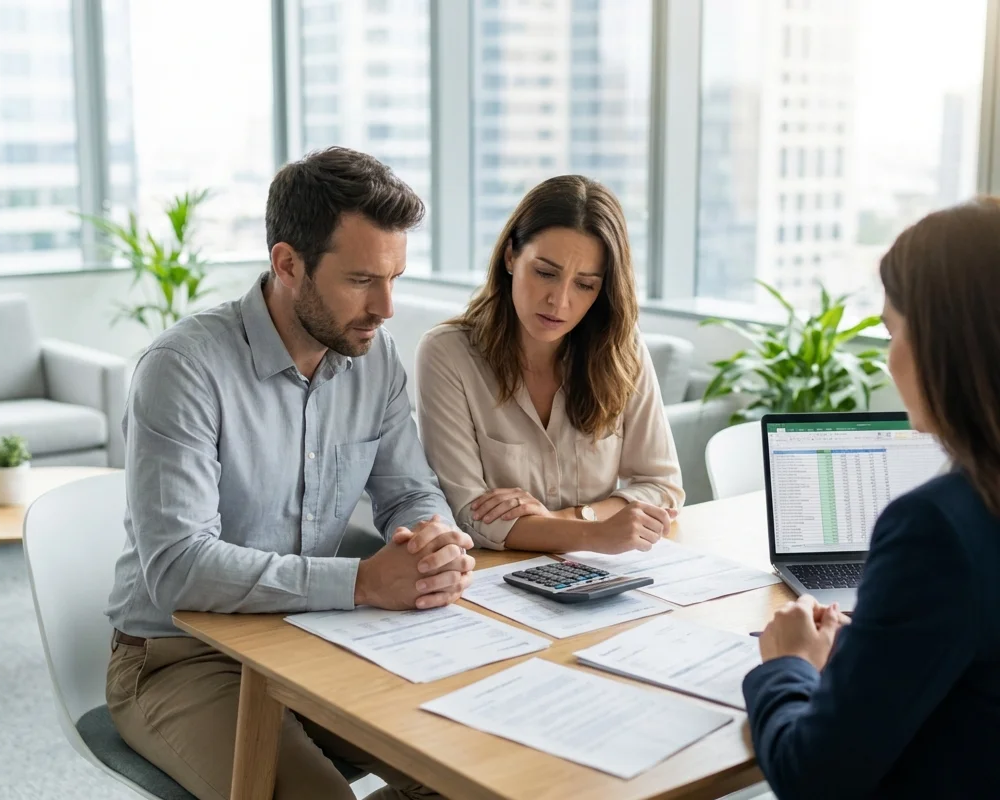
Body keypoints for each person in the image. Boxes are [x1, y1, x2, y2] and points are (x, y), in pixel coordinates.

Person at [105, 147, 475, 800]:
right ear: (287, 264)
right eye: (362, 280)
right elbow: (178, 569)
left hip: (311, 638)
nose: (386, 306)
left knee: (468, 768)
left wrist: (433, 541)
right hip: (181, 658)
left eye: (395, 277)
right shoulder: (183, 369)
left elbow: (409, 490)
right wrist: (362, 582)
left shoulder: (373, 358)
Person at [744, 198, 1000, 799]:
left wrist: (786, 664)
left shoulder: (936, 527)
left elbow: (813, 778)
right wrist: (872, 646)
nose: (889, 359)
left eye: (893, 331)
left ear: (942, 342)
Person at [415, 175, 684, 555]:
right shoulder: (447, 354)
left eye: (585, 285)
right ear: (511, 256)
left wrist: (565, 519)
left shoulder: (622, 348)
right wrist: (598, 533)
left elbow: (663, 487)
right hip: (496, 578)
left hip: (603, 577)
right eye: (545, 273)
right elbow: (467, 515)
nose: (559, 302)